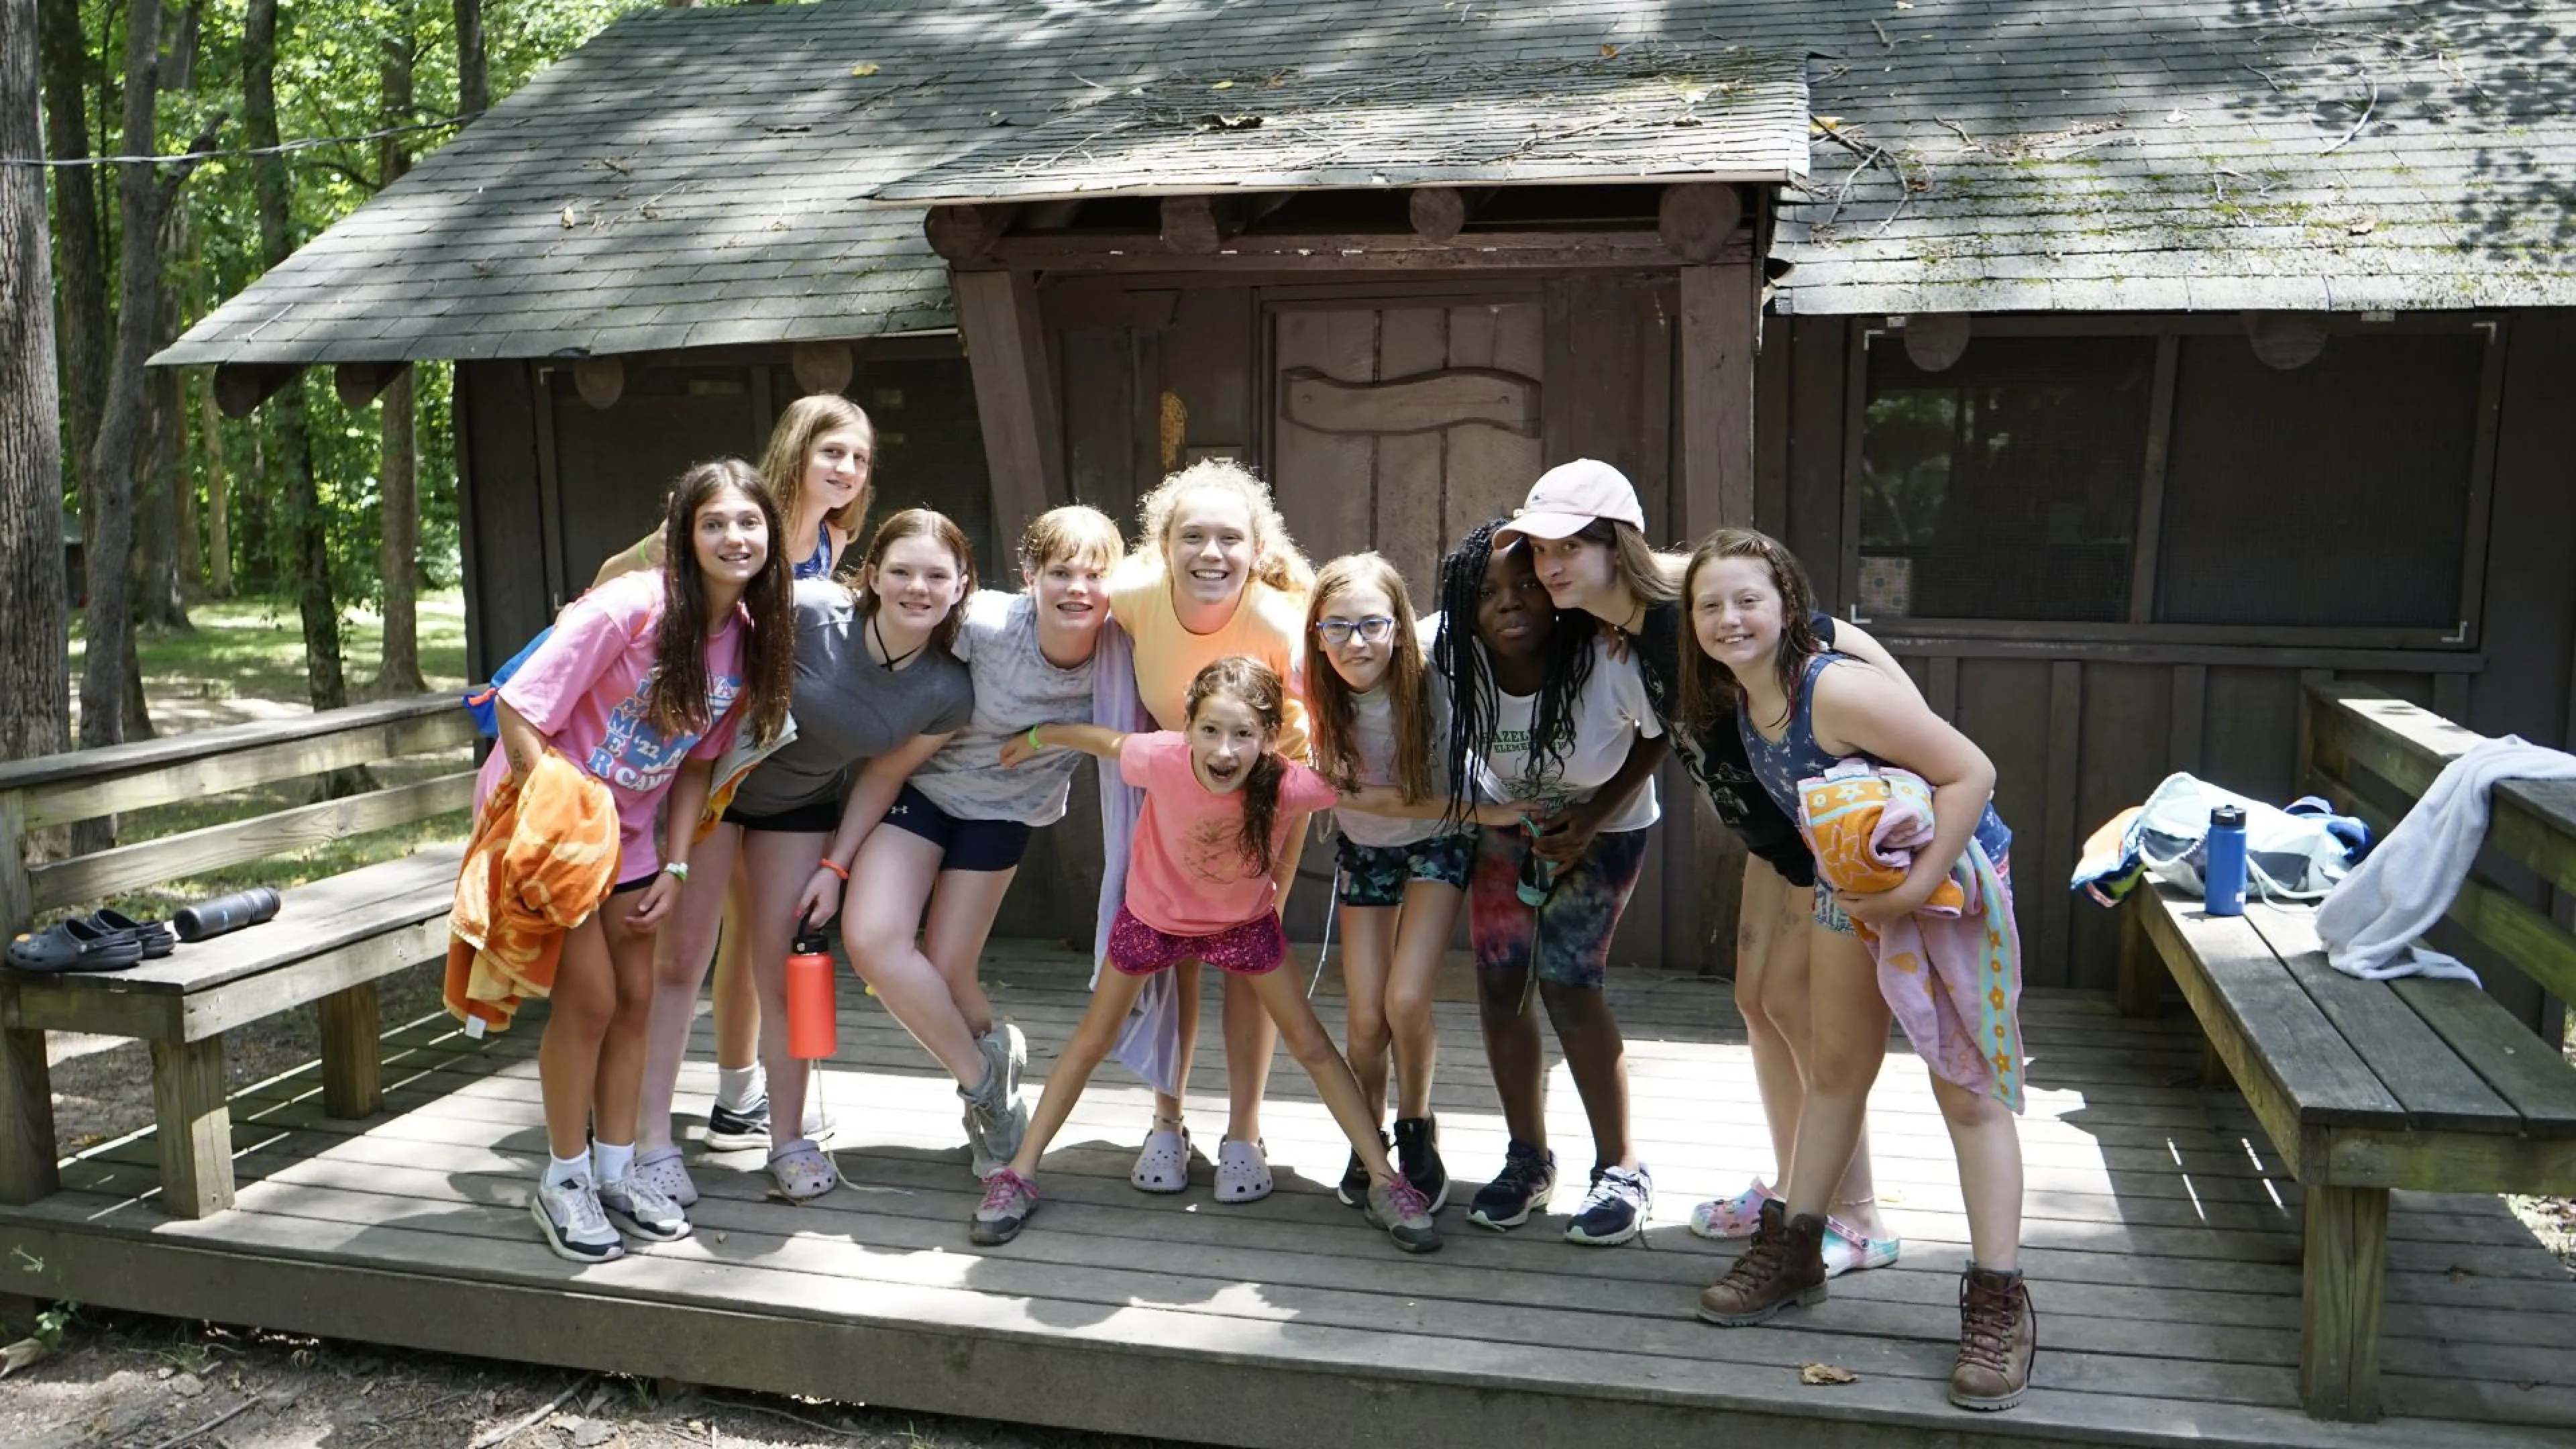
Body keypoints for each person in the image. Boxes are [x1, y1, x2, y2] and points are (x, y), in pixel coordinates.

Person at [1501, 458, 1909, 1276]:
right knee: (1759, 1003)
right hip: (1766, 837)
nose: (1551, 565)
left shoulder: (1690, 605)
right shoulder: (1613, 623)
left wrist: (1909, 730)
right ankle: (1795, 1185)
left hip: (1821, 842)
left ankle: (1855, 1216)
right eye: (1541, 548)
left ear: (1620, 543)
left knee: (1811, 1023)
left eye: (1572, 546)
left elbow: (1828, 640)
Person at [1678, 529, 2034, 1412]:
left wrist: (1913, 886)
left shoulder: (1829, 689)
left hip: (1948, 883)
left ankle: (1999, 1301)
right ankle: (1796, 1251)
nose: (1731, 618)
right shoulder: (1739, 697)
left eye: (1748, 599)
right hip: (1858, 887)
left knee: (1969, 1091)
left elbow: (1971, 772)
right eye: (1711, 605)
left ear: (1788, 606)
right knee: (1835, 1068)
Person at [969, 657, 1440, 1253]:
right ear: (1187, 726)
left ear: (1269, 739)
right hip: (1151, 922)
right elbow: (1103, 742)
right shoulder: (1161, 758)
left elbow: (1382, 799)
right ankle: (1020, 1171)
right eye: (1211, 730)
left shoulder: (1285, 781)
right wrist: (1037, 737)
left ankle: (1385, 1179)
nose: (1225, 749)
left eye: (1244, 734)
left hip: (1243, 927)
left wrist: (1494, 811)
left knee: (1313, 1044)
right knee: (1090, 1040)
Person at [481, 458, 794, 1263]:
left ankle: (618, 1173)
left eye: (749, 523)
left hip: (638, 839)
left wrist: (678, 865)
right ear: (686, 535)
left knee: (637, 1003)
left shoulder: (750, 645)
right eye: (714, 523)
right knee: (587, 1001)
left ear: (772, 536)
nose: (734, 537)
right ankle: (563, 1179)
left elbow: (696, 764)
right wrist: (551, 822)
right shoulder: (630, 606)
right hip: (556, 824)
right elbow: (519, 706)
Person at [635, 509, 974, 1208]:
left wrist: (838, 864)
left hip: (800, 810)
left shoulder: (946, 691)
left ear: (961, 585)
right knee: (678, 962)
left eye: (937, 575)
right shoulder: (811, 610)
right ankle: (649, 1141)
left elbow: (879, 775)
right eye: (902, 571)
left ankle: (788, 1140)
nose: (918, 587)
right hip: (712, 790)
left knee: (783, 972)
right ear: (872, 575)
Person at [604, 396, 875, 1154]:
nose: (845, 469)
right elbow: (614, 581)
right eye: (831, 452)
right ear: (795, 449)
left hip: (770, 763)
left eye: (858, 457)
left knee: (756, 929)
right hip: (697, 753)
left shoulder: (832, 537)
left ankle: (737, 1093)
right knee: (681, 948)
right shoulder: (737, 515)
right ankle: (628, 1113)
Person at [841, 506, 1126, 1179]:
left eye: (1094, 574)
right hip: (927, 790)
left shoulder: (1124, 653)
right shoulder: (986, 625)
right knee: (875, 940)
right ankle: (987, 1081)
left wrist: (1046, 737)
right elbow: (893, 636)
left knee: (948, 966)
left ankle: (990, 1085)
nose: (1076, 588)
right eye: (1059, 572)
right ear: (1030, 576)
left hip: (1004, 813)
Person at [1430, 522, 1666, 1246]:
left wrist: (1591, 817)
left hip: (1608, 824)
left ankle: (1621, 1167)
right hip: (1506, 820)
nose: (1510, 602)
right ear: (1464, 608)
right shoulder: (1443, 650)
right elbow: (1358, 631)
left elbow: (1657, 732)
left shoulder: (1604, 653)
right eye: (1489, 594)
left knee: (1570, 983)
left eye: (1529, 583)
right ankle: (1527, 1159)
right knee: (1501, 984)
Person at [1104, 460, 1316, 1203]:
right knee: (1173, 959)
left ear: (1259, 549)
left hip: (1265, 801)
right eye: (1192, 536)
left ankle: (1245, 1134)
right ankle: (1167, 1120)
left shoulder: (1281, 621)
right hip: (1181, 795)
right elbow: (1060, 597)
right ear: (1164, 547)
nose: (1211, 553)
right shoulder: (1133, 596)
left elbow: (1334, 707)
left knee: (1250, 958)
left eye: (1230, 537)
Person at [1302, 553, 1487, 1212]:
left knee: (1406, 1000)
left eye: (1372, 625)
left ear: (1400, 627)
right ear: (1317, 633)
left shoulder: (1435, 674)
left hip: (1438, 838)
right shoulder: (1309, 685)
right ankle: (1367, 1137)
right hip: (1366, 849)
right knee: (1362, 1020)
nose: (1356, 643)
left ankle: (1416, 1127)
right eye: (1338, 627)